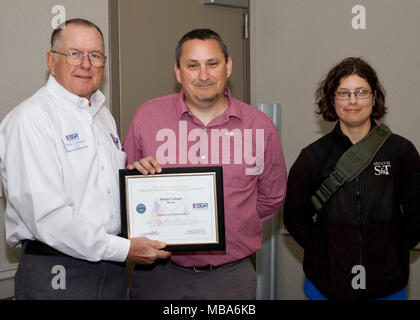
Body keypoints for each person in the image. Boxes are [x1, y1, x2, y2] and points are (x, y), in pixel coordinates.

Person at [0, 18, 170, 300]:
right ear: (51, 60)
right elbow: (49, 217)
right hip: (58, 268)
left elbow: (98, 190)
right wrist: (124, 250)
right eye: (74, 53)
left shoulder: (102, 115)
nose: (86, 64)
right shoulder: (32, 119)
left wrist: (136, 177)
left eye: (95, 55)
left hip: (110, 268)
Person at [123, 28, 287, 300]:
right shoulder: (147, 117)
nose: (203, 75)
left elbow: (272, 197)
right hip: (160, 276)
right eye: (192, 65)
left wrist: (235, 222)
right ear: (178, 72)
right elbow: (126, 188)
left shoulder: (260, 126)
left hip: (231, 278)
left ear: (228, 66)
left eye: (212, 63)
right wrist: (139, 176)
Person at [283, 57, 420, 300]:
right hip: (326, 286)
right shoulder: (313, 156)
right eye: (344, 93)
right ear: (332, 99)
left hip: (387, 286)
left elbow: (417, 214)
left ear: (375, 96)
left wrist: (392, 251)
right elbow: (294, 218)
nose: (353, 101)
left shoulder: (401, 151)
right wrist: (324, 252)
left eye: (361, 92)